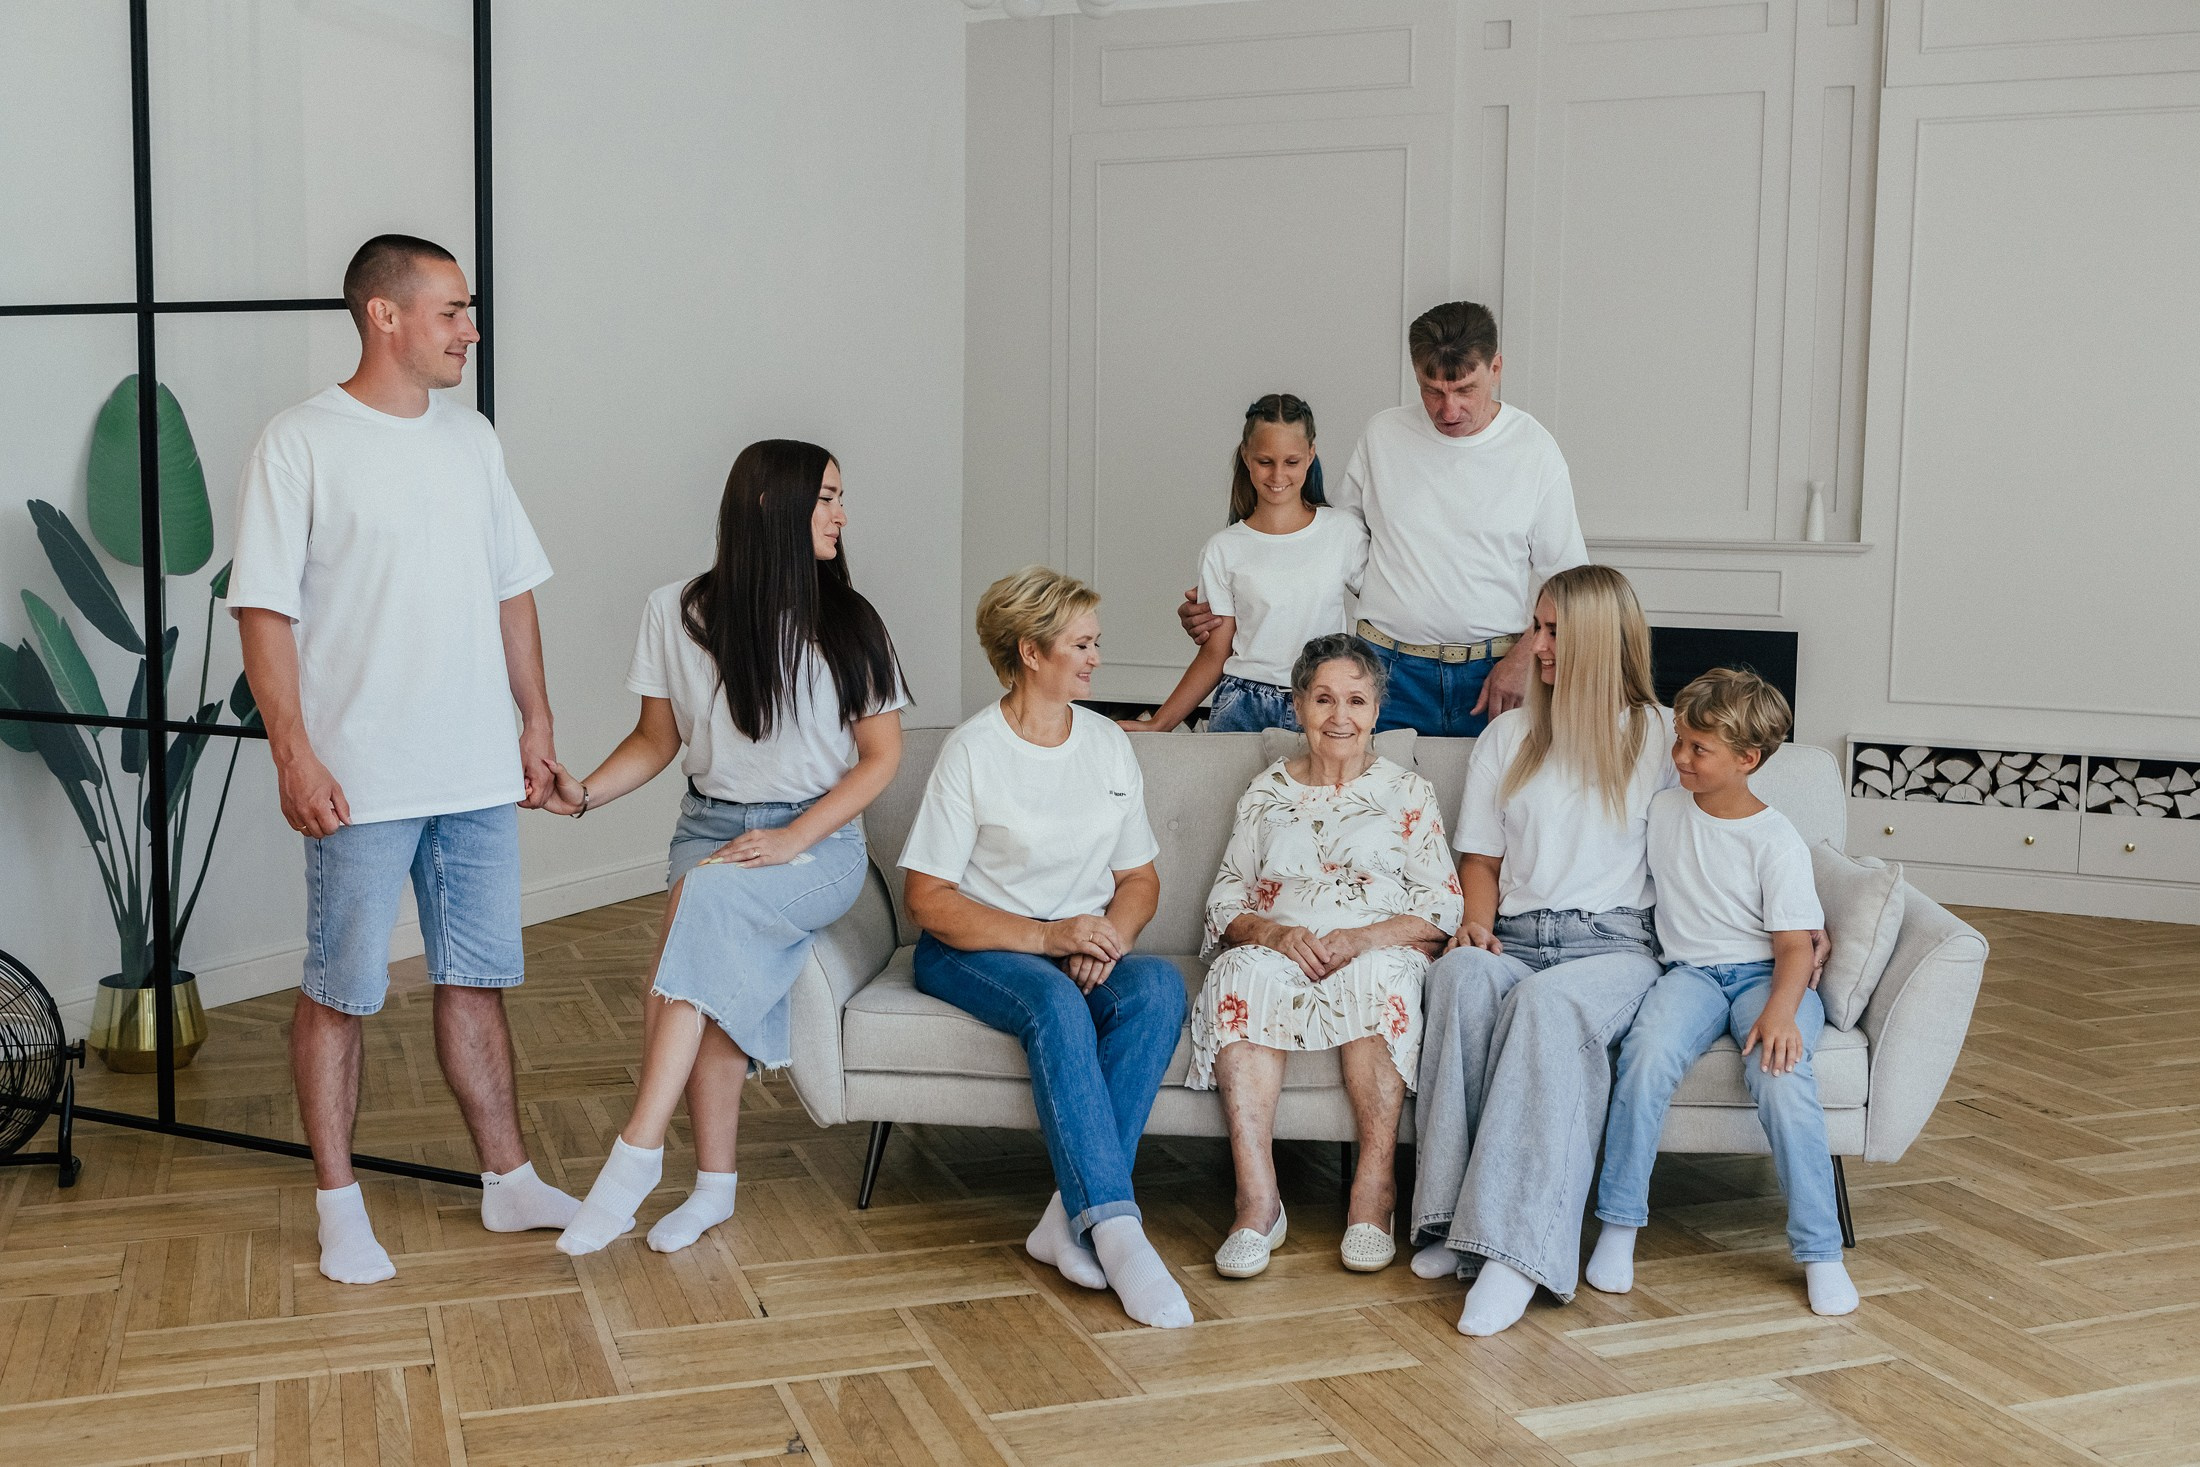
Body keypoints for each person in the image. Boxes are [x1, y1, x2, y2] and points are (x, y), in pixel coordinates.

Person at [231, 234, 579, 1284]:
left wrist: (536, 723)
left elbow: (511, 587)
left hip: (475, 766)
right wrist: (294, 755)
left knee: (477, 979)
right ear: (385, 316)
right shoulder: (300, 442)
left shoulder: (470, 437)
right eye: (452, 311)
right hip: (363, 776)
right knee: (340, 989)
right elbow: (263, 611)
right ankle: (340, 1206)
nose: (470, 328)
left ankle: (509, 1181)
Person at [542, 440, 907, 1257]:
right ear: (772, 506)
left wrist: (790, 838)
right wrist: (586, 794)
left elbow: (883, 757)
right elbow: (654, 737)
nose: (843, 515)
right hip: (710, 828)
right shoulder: (675, 610)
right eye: (827, 498)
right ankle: (712, 1188)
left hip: (819, 844)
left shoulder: (850, 621)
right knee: (700, 984)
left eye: (841, 498)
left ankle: (634, 1156)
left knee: (696, 922)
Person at [899, 566, 1193, 1329]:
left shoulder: (1104, 744)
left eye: (1096, 642)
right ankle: (1121, 1235)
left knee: (1158, 988)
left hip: (1072, 948)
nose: (1097, 658)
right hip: (974, 948)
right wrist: (1048, 937)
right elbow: (928, 900)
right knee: (1056, 1003)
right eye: (1082, 644)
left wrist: (1110, 937)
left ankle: (1068, 1215)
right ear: (1031, 651)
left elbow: (1139, 878)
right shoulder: (973, 751)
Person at [1407, 564, 1674, 1336]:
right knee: (1459, 976)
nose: (1535, 646)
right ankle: (1450, 1224)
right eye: (1535, 626)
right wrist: (1476, 926)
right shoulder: (1507, 735)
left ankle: (1517, 1253)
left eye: (1551, 631)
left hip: (1615, 945)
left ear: (1596, 637)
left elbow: (1722, 835)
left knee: (1546, 1005)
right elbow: (1481, 862)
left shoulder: (1659, 738)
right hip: (1517, 934)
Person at [1177, 301, 1585, 737]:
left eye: (1465, 389)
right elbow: (1321, 547)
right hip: (1383, 672)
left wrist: (1523, 661)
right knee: (1373, 804)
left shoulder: (1535, 450)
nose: (1448, 410)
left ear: (1496, 367)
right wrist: (1227, 607)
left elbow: (1569, 579)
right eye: (1432, 390)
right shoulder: (1383, 435)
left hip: (1495, 674)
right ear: (1415, 372)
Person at [1587, 668, 1858, 1316]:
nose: (1679, 757)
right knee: (1645, 1058)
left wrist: (1783, 1013)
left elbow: (1796, 944)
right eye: (1678, 741)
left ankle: (1820, 1251)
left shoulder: (1776, 839)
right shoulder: (1663, 807)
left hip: (1765, 976)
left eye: (1697, 749)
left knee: (1781, 1076)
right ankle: (1619, 1228)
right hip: (1688, 974)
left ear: (1747, 759)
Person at [1193, 635, 1461, 1279]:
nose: (1339, 715)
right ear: (1297, 706)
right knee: (1239, 975)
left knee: (1380, 979)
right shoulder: (1266, 790)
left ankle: (1374, 1195)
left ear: (1376, 710)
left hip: (1376, 947)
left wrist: (1363, 938)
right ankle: (1258, 1203)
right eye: (1323, 699)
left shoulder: (1408, 793)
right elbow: (1226, 899)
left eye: (1356, 700)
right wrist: (1276, 936)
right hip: (1281, 946)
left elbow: (1443, 907)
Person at [1124, 395, 1366, 734]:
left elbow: (1387, 612)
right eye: (1265, 461)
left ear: (1311, 455)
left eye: (1292, 461)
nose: (1278, 474)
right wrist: (1159, 723)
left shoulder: (1343, 532)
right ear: (1246, 457)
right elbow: (1215, 653)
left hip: (1322, 704)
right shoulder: (1222, 549)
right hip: (1243, 705)